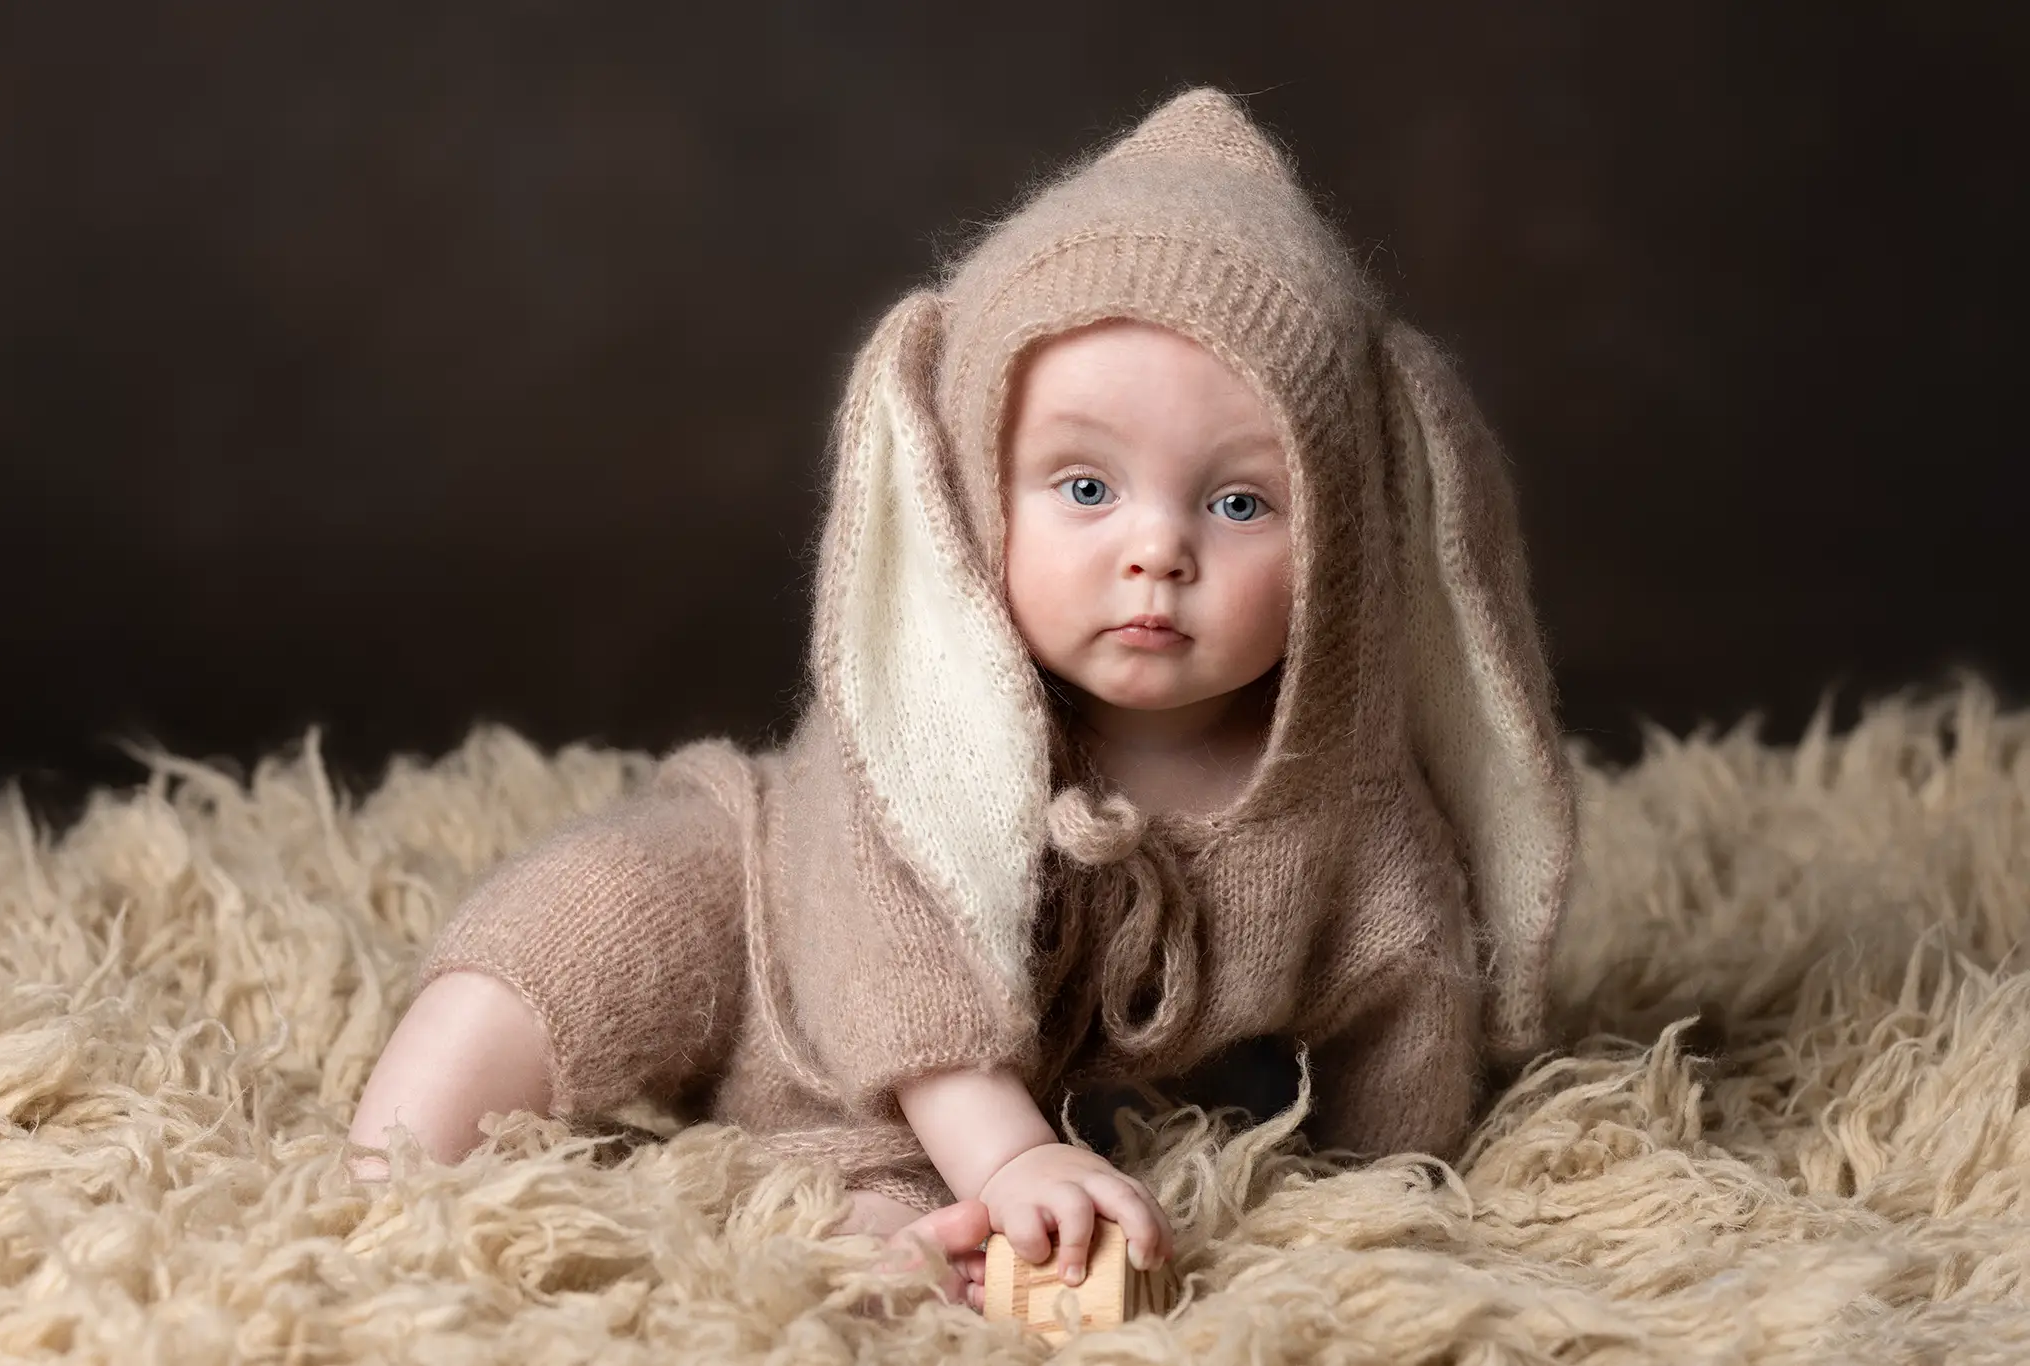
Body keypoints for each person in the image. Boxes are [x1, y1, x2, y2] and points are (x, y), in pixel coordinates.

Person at [347, 86, 1578, 1314]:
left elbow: (1407, 989)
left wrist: (1386, 1187)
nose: (1157, 551)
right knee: (597, 913)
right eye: (1084, 486)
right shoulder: (924, 732)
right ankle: (380, 1178)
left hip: (958, 1106)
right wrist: (1012, 1149)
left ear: (1348, 550)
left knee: (912, 1243)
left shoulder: (1341, 806)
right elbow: (898, 957)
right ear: (972, 495)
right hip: (789, 919)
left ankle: (887, 1237)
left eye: (1240, 502)